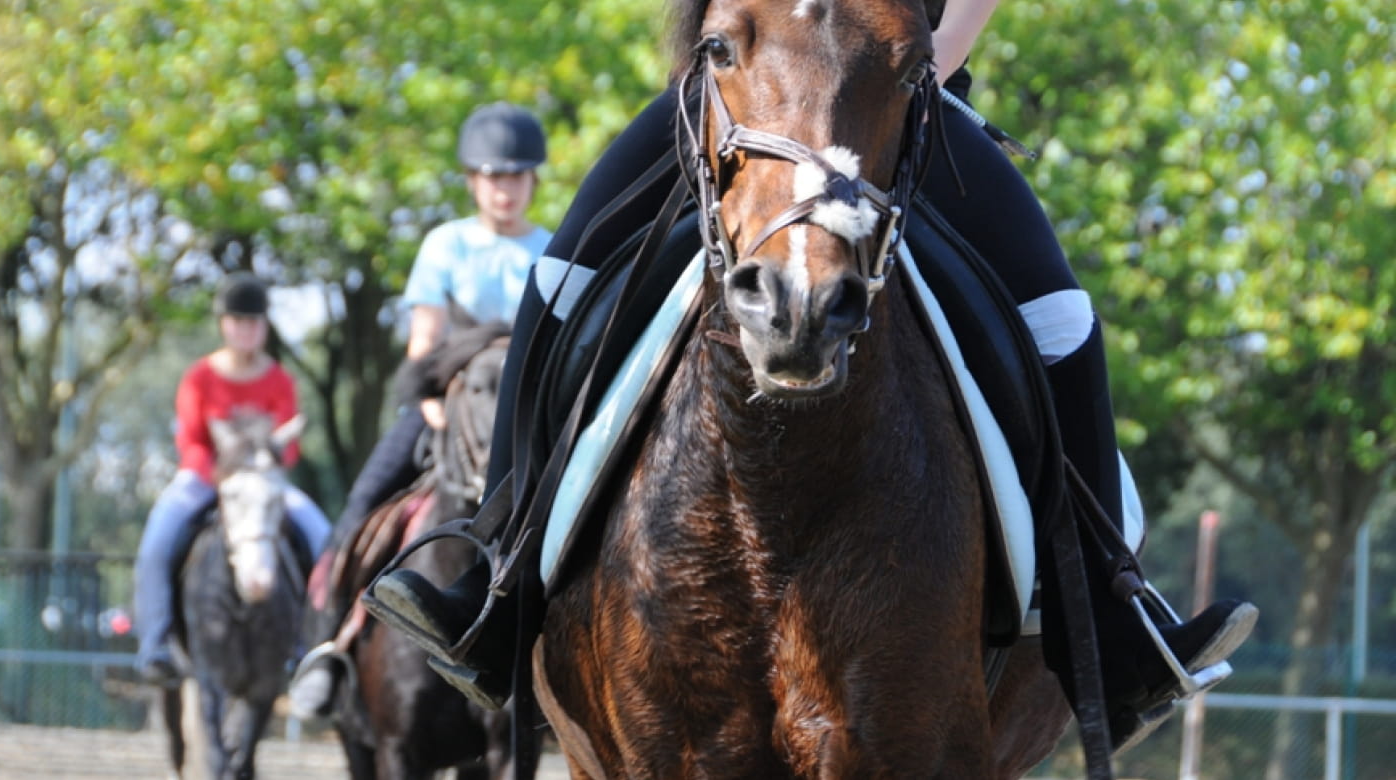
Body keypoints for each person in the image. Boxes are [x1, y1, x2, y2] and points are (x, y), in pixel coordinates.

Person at [364, 0, 1257, 753]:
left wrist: (912, 66)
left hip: (889, 95)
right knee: (557, 285)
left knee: (1062, 319)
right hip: (743, 93)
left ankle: (1114, 621)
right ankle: (495, 582)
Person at [287, 102, 553, 718]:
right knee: (361, 507)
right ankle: (326, 649)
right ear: (472, 181)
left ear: (532, 180)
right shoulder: (446, 244)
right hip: (445, 410)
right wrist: (436, 411)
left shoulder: (551, 246)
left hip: (526, 422)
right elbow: (423, 346)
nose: (504, 188)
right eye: (492, 176)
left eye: (515, 176)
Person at [132, 271, 333, 685]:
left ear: (264, 326)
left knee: (323, 538)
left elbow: (288, 448)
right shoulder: (199, 378)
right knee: (156, 543)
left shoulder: (278, 379)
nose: (246, 330)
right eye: (238, 322)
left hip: (263, 483)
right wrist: (226, 479)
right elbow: (190, 440)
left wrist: (260, 472)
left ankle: (312, 646)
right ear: (224, 324)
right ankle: (156, 644)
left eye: (254, 323)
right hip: (204, 480)